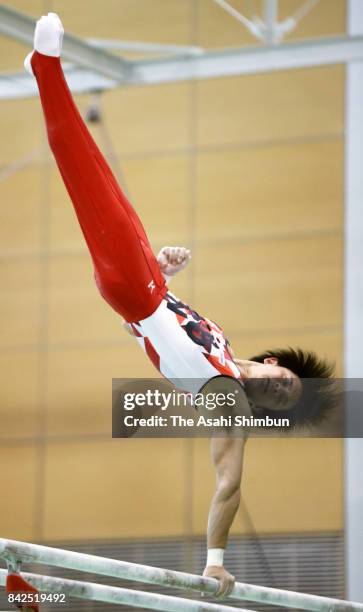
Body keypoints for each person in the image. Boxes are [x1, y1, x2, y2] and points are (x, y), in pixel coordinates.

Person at [24, 13, 336, 599]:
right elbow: (149, 335)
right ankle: (42, 75)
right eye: (286, 380)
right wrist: (164, 274)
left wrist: (214, 560)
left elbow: (228, 485)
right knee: (95, 172)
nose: (277, 389)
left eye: (283, 401)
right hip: (145, 284)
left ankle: (45, 68)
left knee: (79, 167)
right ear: (273, 360)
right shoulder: (220, 342)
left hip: (131, 289)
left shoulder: (230, 402)